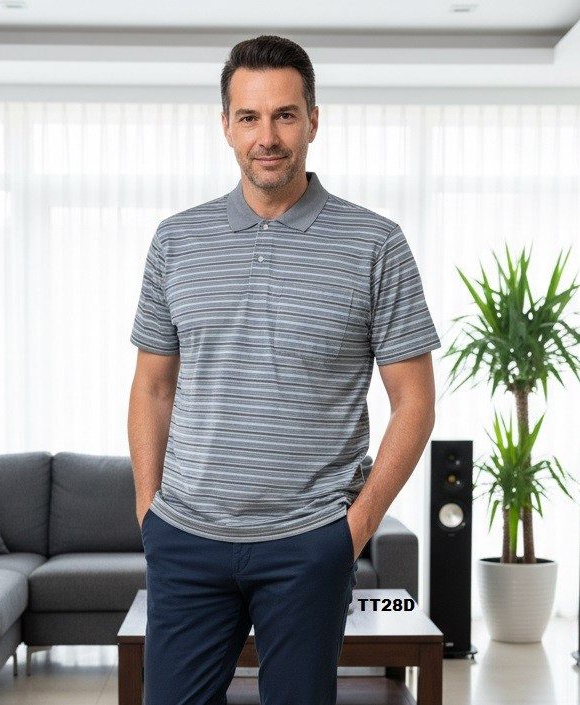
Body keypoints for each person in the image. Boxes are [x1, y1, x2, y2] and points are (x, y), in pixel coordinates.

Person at [128, 33, 441, 705]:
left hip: (309, 544)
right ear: (226, 125)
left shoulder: (375, 243)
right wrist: (147, 510)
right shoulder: (176, 240)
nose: (266, 137)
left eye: (284, 115)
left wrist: (352, 529)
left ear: (313, 121)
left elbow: (414, 402)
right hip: (184, 537)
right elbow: (152, 386)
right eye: (249, 117)